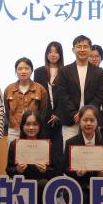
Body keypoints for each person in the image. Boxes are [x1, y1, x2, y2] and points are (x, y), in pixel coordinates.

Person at [63, 105, 103, 204]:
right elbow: (65, 167)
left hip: (98, 182)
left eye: (92, 120)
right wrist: (76, 172)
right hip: (78, 183)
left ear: (97, 122)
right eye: (85, 120)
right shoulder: (71, 142)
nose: (88, 123)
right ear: (79, 121)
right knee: (78, 201)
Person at [55, 35, 103, 147]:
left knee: (90, 153)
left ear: (90, 49)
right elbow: (63, 96)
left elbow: (99, 96)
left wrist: (85, 114)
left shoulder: (99, 72)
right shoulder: (64, 71)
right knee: (70, 153)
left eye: (85, 46)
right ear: (73, 50)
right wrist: (75, 114)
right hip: (71, 121)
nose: (82, 49)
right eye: (79, 46)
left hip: (91, 120)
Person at [6, 109, 56, 204]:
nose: (31, 128)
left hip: (41, 184)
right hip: (22, 184)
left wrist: (46, 170)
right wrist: (17, 170)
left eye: (35, 124)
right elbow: (8, 170)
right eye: (27, 124)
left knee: (43, 184)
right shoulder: (15, 145)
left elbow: (56, 171)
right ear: (22, 126)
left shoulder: (47, 145)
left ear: (40, 126)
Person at [33, 41, 65, 170]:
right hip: (43, 117)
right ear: (46, 54)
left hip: (60, 118)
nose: (53, 54)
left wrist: (58, 114)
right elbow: (37, 94)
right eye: (50, 51)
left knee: (57, 152)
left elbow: (66, 95)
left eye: (56, 52)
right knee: (43, 151)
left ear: (60, 54)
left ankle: (57, 175)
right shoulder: (39, 72)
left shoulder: (65, 71)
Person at [3, 57, 47, 140]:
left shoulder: (40, 89)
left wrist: (35, 125)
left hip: (33, 130)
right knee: (13, 148)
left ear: (31, 71)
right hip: (14, 130)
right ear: (16, 71)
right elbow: (7, 111)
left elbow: (43, 112)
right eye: (20, 69)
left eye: (26, 68)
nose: (23, 71)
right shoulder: (9, 89)